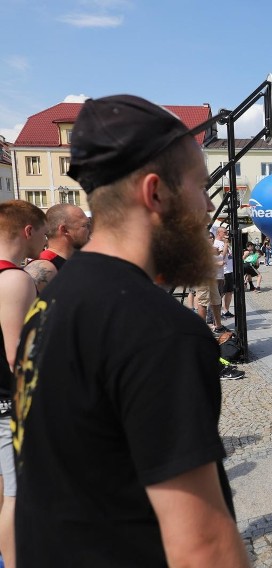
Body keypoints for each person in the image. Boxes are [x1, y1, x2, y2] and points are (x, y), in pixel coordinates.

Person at [11, 95, 249, 566]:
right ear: (156, 192)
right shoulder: (159, 331)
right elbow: (202, 548)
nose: (207, 208)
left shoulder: (52, 301)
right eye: (202, 188)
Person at [0, 200, 47, 568]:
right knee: (17, 496)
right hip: (6, 404)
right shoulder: (15, 278)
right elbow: (20, 357)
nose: (45, 239)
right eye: (42, 231)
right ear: (27, 232)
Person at [23, 203, 91, 292]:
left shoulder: (76, 261)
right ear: (65, 230)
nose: (89, 230)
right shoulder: (45, 267)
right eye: (85, 225)